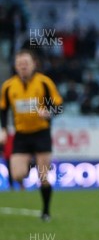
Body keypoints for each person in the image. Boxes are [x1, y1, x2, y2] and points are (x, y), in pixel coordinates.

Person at [0, 50, 63, 221]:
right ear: (16, 66)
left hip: (41, 134)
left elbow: (59, 106)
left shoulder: (44, 83)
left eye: (26, 63)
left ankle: (46, 211)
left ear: (34, 64)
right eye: (20, 63)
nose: (23, 66)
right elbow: (3, 109)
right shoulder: (8, 86)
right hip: (21, 135)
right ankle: (32, 163)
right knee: (17, 175)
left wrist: (49, 112)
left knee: (43, 177)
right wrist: (4, 129)